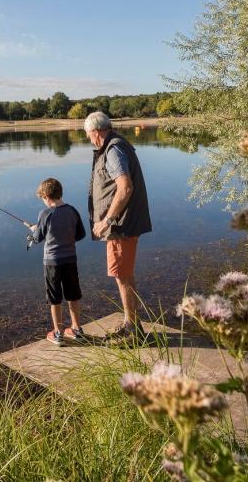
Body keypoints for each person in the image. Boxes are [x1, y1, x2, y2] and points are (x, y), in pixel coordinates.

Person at [84, 111, 152, 339]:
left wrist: (107, 220)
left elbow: (125, 188)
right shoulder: (117, 145)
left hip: (121, 226)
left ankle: (133, 330)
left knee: (122, 275)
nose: (88, 140)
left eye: (88, 135)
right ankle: (132, 324)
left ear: (95, 132)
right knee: (124, 274)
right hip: (123, 224)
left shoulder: (113, 150)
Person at [27, 178, 87, 346]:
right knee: (73, 294)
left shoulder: (45, 214)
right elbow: (80, 235)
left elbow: (38, 238)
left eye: (43, 199)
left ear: (46, 196)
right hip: (70, 260)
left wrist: (33, 231)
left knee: (54, 298)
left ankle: (58, 333)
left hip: (52, 262)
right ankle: (76, 329)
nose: (44, 202)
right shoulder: (72, 211)